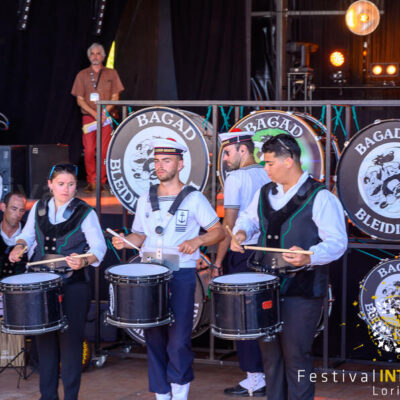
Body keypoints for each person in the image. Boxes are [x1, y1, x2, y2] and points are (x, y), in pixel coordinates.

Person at [230, 134, 347, 400]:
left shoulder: (320, 197)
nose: (266, 169)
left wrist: (309, 256)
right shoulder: (264, 193)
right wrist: (239, 234)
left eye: (270, 163)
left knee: (297, 355)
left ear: (289, 161)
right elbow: (249, 220)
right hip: (266, 289)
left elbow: (338, 242)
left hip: (302, 290)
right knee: (270, 356)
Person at [112, 138, 224, 400]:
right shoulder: (145, 198)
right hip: (151, 274)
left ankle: (180, 390)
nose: (159, 166)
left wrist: (197, 241)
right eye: (156, 161)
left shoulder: (194, 198)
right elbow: (139, 234)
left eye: (166, 161)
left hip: (182, 274)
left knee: (179, 338)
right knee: (154, 337)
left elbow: (217, 231)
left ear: (180, 164)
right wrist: (126, 241)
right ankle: (162, 393)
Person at [9, 164, 107, 400]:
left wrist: (84, 261)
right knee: (45, 343)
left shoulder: (85, 212)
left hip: (74, 285)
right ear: (50, 184)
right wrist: (20, 247)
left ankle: (70, 397)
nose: (66, 189)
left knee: (71, 344)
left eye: (71, 184)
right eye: (61, 184)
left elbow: (98, 248)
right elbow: (28, 235)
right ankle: (48, 397)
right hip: (43, 287)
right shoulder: (40, 208)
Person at [214, 130, 270, 397]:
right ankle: (268, 372)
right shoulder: (268, 173)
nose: (225, 160)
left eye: (227, 153)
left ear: (243, 150)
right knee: (265, 315)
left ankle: (254, 377)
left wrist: (218, 260)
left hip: (243, 252)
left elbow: (230, 224)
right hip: (268, 253)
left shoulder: (236, 178)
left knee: (243, 317)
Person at [71, 42, 124, 193]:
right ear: (89, 56)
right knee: (88, 151)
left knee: (104, 150)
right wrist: (95, 113)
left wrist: (103, 112)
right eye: (92, 53)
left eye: (98, 54)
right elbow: (79, 99)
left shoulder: (111, 73)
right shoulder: (82, 75)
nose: (95, 56)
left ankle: (101, 181)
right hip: (89, 118)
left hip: (105, 117)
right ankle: (91, 181)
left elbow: (115, 97)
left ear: (103, 56)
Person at [0, 191, 27, 279]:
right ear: (3, 207)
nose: (18, 214)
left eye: (21, 210)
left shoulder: (28, 234)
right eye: (14, 209)